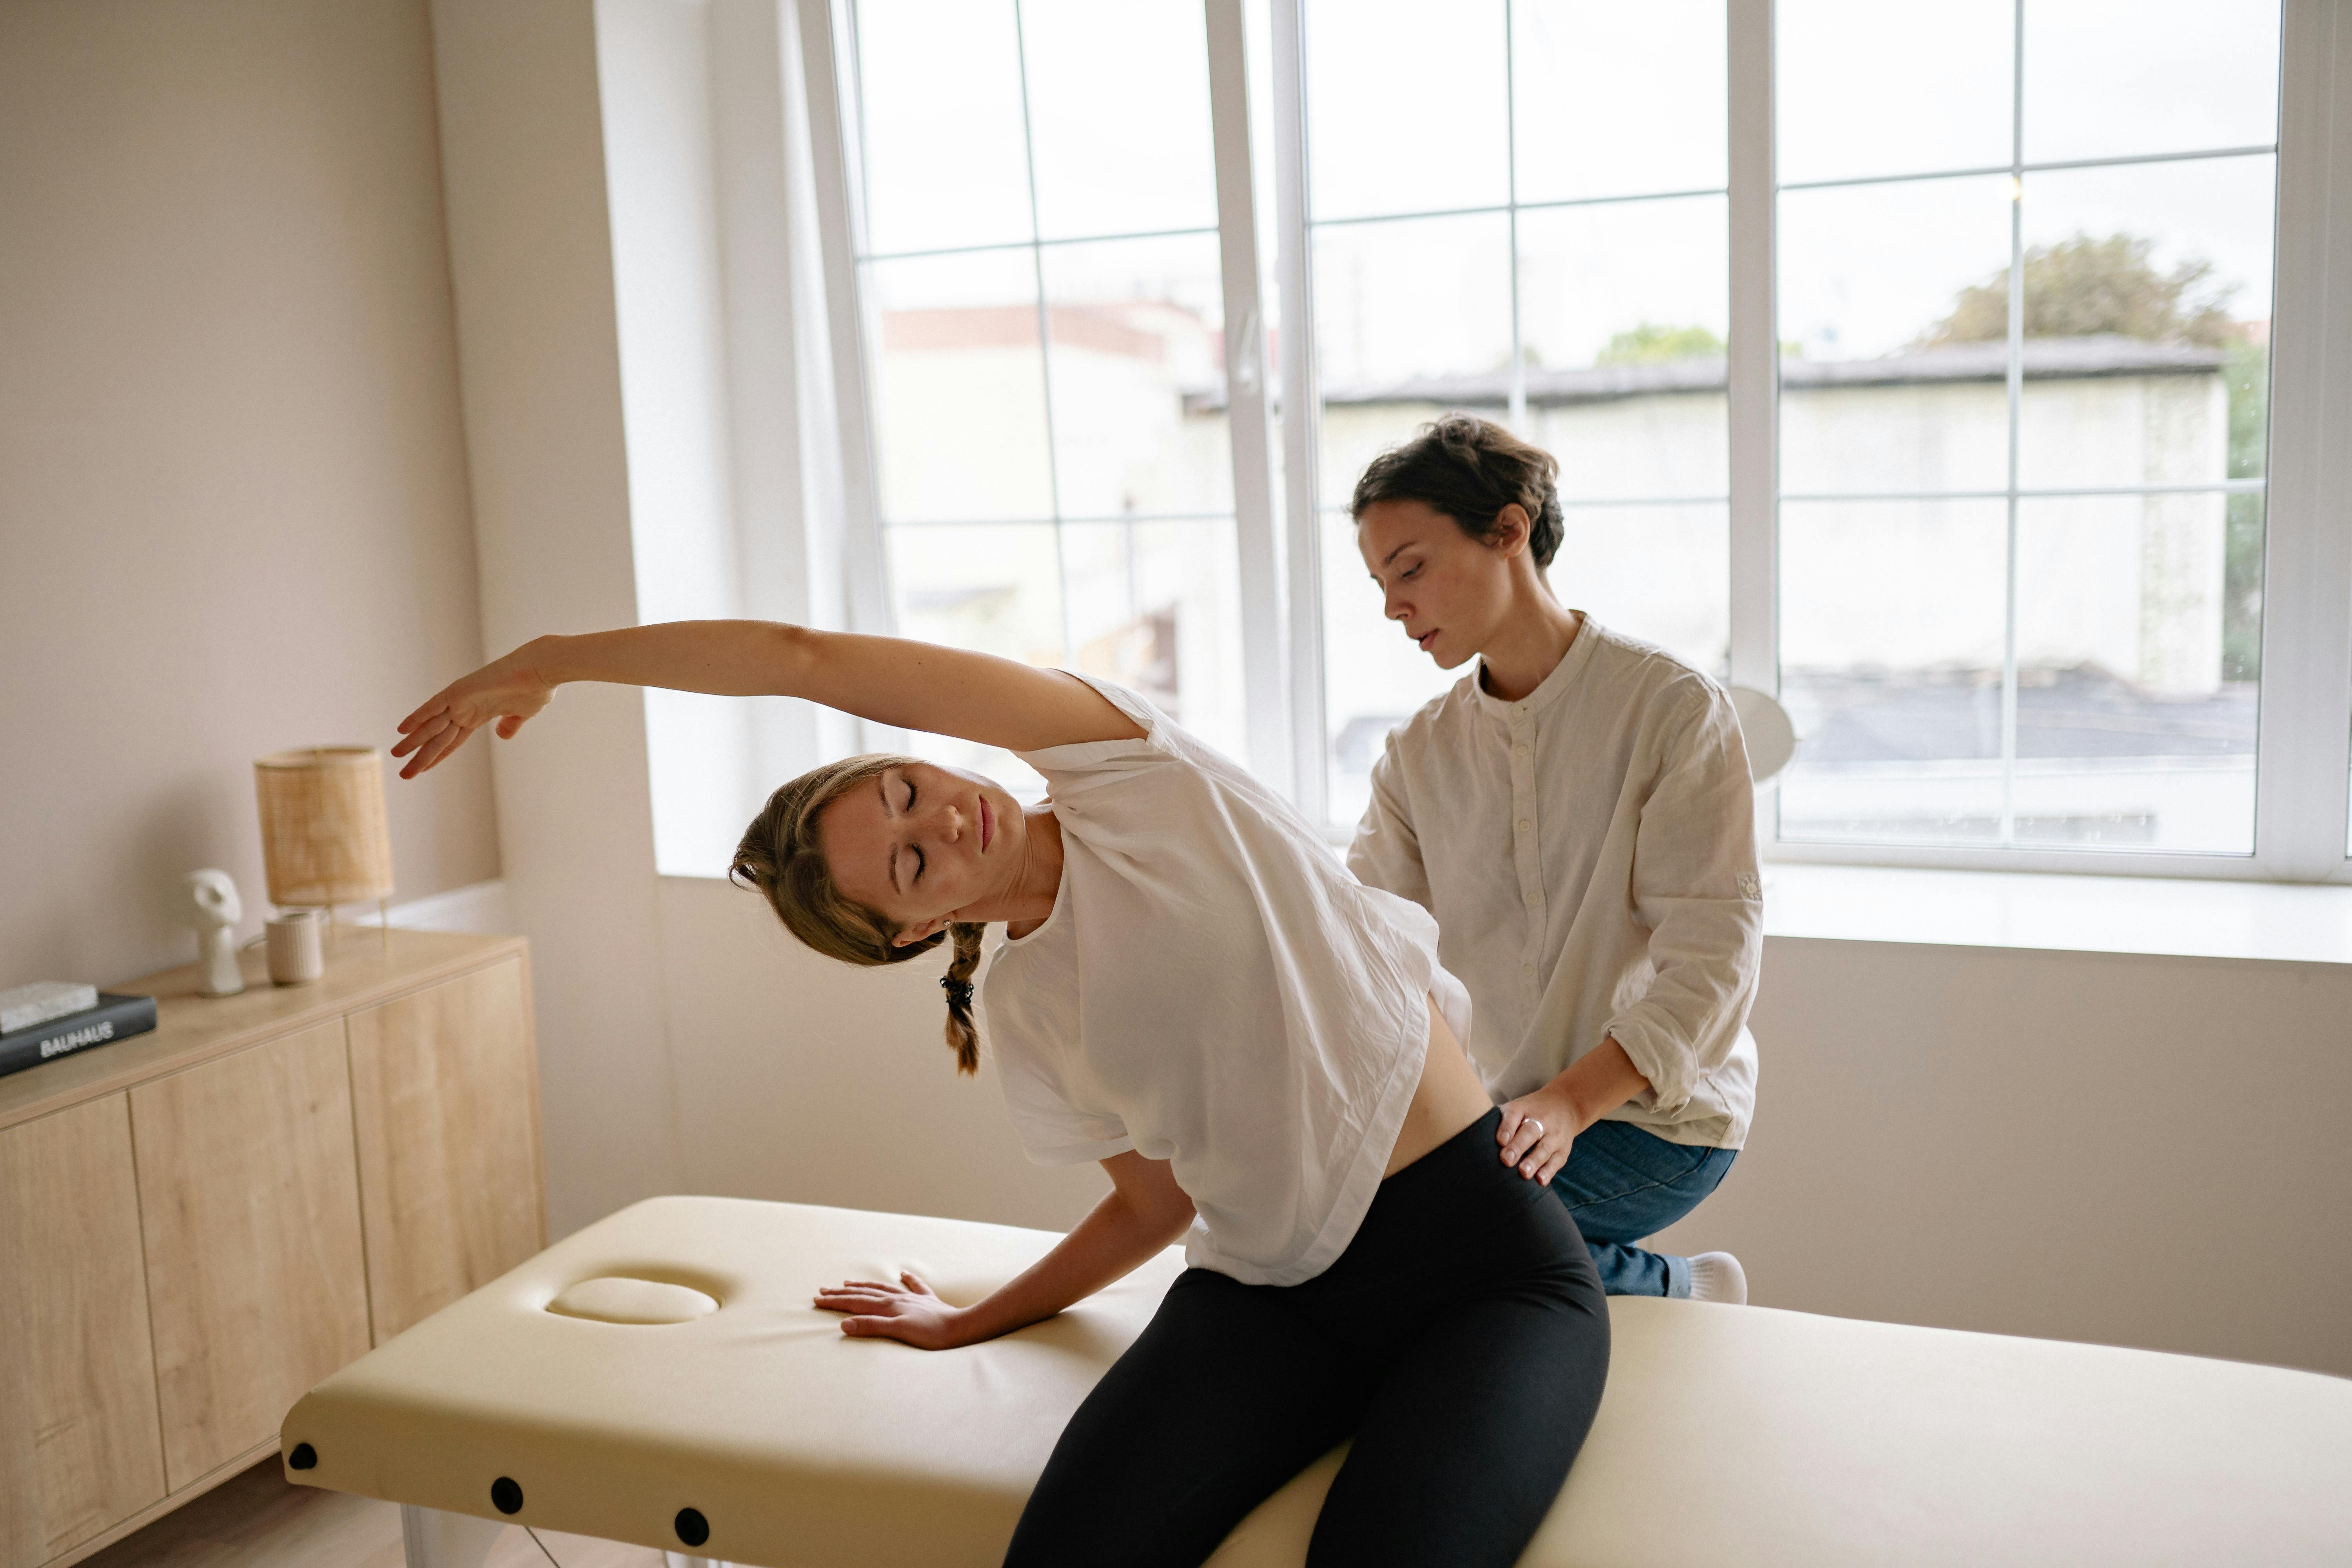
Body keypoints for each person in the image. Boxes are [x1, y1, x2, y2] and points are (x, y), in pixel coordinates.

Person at [391, 620, 1610, 1568]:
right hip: (1272, 1300)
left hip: (1482, 1275)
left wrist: (556, 660)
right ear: (909, 933)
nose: (945, 822)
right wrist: (970, 1320)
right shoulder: (1027, 1005)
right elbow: (1153, 1207)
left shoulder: (1135, 775)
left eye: (906, 794)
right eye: (911, 864)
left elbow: (804, 659)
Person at [1348, 414, 1762, 1304]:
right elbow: (1368, 951)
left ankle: (1678, 1289)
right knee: (1327, 1220)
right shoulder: (1418, 755)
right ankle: (1657, 1286)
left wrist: (1569, 1103)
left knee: (1411, 1240)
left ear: (1509, 530)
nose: (1392, 607)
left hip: (1658, 1119)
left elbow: (1714, 961)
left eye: (1410, 569)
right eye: (1380, 584)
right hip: (1500, 1118)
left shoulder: (1672, 710)